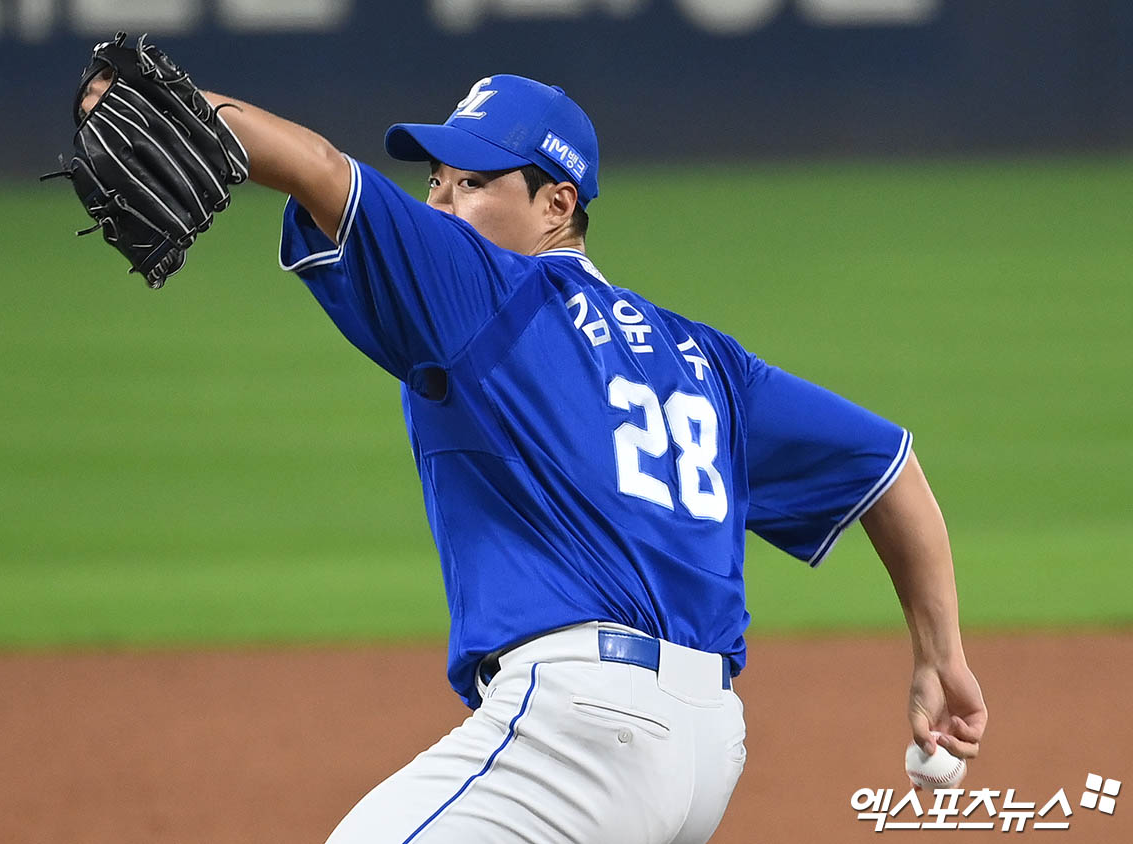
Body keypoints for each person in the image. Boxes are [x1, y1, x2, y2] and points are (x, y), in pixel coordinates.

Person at [83, 70, 987, 844]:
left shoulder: (483, 288)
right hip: (709, 748)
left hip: (583, 728)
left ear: (557, 205)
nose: (440, 204)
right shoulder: (708, 360)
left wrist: (173, 105)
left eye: (470, 181)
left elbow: (318, 168)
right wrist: (938, 654)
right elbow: (888, 469)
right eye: (434, 181)